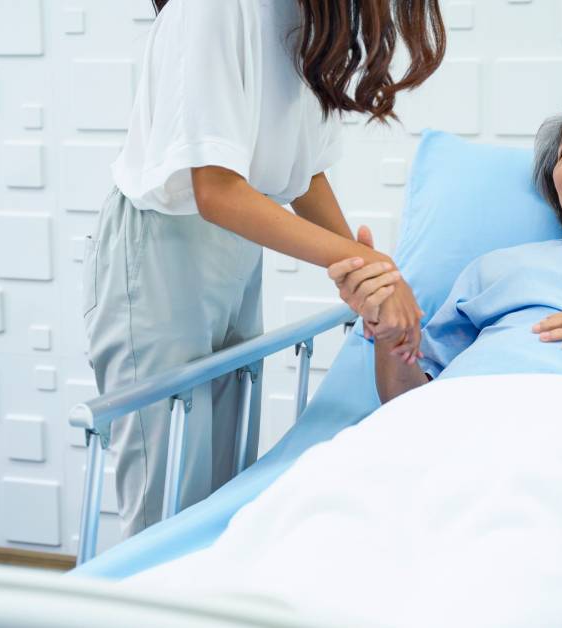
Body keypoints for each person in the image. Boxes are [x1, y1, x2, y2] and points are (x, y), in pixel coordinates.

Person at [123, 83, 562, 626]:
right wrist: (388, 333)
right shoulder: (502, 268)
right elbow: (410, 399)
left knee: (535, 518)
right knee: (333, 501)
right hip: (461, 416)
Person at [83, 0, 444, 539]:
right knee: (166, 512)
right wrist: (367, 266)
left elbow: (303, 173)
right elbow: (216, 190)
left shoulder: (309, 18)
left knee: (219, 500)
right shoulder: (220, 8)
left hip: (234, 253)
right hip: (161, 252)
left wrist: (367, 277)